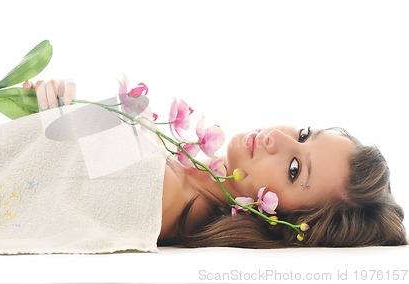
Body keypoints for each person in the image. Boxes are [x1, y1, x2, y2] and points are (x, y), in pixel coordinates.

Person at [25, 78, 408, 249]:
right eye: (304, 133)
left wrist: (55, 110)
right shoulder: (181, 173)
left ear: (280, 221)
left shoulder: (166, 195)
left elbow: (41, 173)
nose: (278, 137)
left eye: (294, 169)